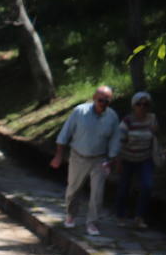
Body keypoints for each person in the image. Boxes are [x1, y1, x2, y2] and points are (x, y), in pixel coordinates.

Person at [51, 85, 120, 237]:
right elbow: (65, 134)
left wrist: (112, 160)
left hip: (100, 159)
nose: (103, 103)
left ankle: (92, 222)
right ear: (95, 98)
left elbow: (115, 140)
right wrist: (58, 155)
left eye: (106, 100)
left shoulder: (112, 117)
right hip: (78, 156)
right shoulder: (80, 112)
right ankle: (71, 215)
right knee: (73, 189)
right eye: (100, 99)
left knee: (97, 193)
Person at [114, 91, 159, 228]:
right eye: (139, 104)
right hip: (127, 158)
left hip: (145, 158)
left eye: (145, 104)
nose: (142, 107)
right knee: (124, 187)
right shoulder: (127, 121)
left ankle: (139, 217)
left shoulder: (152, 119)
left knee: (147, 185)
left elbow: (155, 136)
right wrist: (118, 161)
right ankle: (120, 215)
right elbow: (119, 142)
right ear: (134, 105)